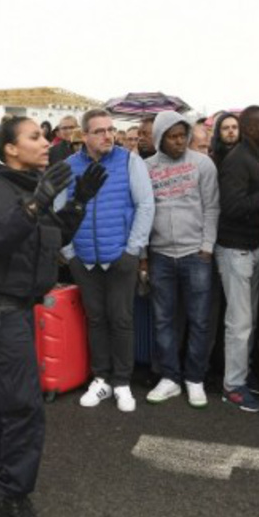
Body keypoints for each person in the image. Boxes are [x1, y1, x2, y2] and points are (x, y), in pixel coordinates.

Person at [0, 116, 103, 517]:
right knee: (23, 407)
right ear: (10, 149)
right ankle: (11, 496)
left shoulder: (24, 188)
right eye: (35, 137)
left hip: (15, 308)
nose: (46, 143)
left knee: (0, 402)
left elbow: (50, 237)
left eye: (44, 136)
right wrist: (37, 203)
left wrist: (78, 201)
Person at [63, 109, 155, 413]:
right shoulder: (68, 167)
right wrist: (70, 255)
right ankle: (101, 378)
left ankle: (122, 382)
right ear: (85, 136)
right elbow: (59, 212)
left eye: (110, 129)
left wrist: (132, 251)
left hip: (120, 258)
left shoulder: (130, 161)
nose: (108, 135)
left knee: (121, 319)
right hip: (85, 260)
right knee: (96, 318)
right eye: (99, 130)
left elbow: (145, 205)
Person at [143, 111, 220, 407]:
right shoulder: (146, 167)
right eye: (172, 137)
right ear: (159, 137)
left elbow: (212, 207)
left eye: (182, 136)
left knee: (199, 320)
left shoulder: (203, 164)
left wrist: (207, 246)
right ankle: (170, 378)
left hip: (195, 253)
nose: (178, 142)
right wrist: (144, 255)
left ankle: (195, 378)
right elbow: (143, 209)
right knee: (163, 320)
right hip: (160, 254)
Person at [216, 105, 259, 413]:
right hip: (235, 250)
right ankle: (232, 385)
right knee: (239, 322)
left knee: (249, 320)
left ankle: (242, 374)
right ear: (251, 129)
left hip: (253, 248)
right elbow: (231, 206)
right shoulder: (237, 160)